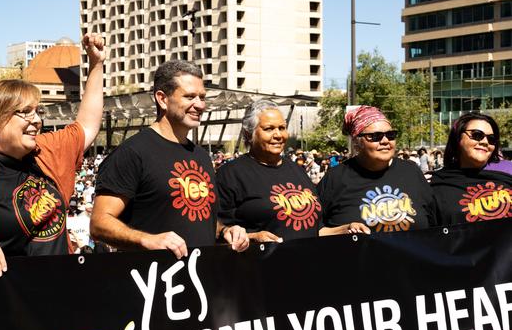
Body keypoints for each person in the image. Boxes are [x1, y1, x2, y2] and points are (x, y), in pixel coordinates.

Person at [0, 33, 105, 277]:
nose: (37, 120)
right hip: (6, 302)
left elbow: (87, 125)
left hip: (61, 292)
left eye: (37, 112)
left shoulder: (44, 150)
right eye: (25, 112)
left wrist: (96, 64)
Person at [90, 60, 249, 259]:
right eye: (190, 96)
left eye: (202, 97)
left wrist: (225, 231)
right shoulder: (132, 153)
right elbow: (99, 223)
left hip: (202, 281)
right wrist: (146, 239)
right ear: (162, 99)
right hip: (153, 283)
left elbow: (200, 220)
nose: (199, 105)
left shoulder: (201, 156)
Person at [317, 106, 436, 234]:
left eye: (390, 135)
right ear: (357, 142)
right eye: (375, 136)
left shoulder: (411, 172)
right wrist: (342, 230)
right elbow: (312, 230)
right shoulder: (335, 178)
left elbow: (434, 222)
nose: (385, 141)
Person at [216, 100, 322, 242]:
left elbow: (318, 229)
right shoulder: (230, 174)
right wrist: (252, 237)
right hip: (260, 262)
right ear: (248, 134)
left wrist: (347, 229)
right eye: (269, 129)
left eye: (282, 128)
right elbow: (215, 227)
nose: (278, 135)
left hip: (309, 261)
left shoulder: (298, 170)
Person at [430, 112, 512, 225]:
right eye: (477, 135)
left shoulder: (507, 171)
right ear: (458, 138)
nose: (485, 142)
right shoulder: (436, 185)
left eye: (491, 139)